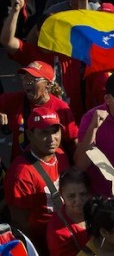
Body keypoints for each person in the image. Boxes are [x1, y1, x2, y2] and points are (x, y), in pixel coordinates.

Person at [1, 0, 86, 122]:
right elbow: (7, 41)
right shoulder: (31, 53)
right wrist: (15, 11)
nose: (52, 35)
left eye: (55, 30)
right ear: (38, 33)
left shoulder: (70, 51)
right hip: (41, 122)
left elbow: (84, 32)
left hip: (71, 118)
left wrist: (82, 2)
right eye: (47, 30)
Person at [4, 107, 70, 255]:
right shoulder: (21, 174)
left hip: (66, 237)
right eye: (44, 133)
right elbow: (21, 225)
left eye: (55, 131)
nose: (52, 138)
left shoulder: (60, 155)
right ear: (30, 134)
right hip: (43, 246)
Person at [0, 61, 78, 161]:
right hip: (22, 167)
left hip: (52, 168)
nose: (27, 82)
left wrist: (76, 169)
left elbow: (73, 141)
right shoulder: (16, 100)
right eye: (25, 78)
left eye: (33, 79)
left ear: (48, 85)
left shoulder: (61, 108)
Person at [47, 167, 92, 256]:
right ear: (61, 195)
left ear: (90, 193)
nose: (78, 201)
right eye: (71, 196)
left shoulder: (98, 211)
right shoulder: (57, 230)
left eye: (83, 194)